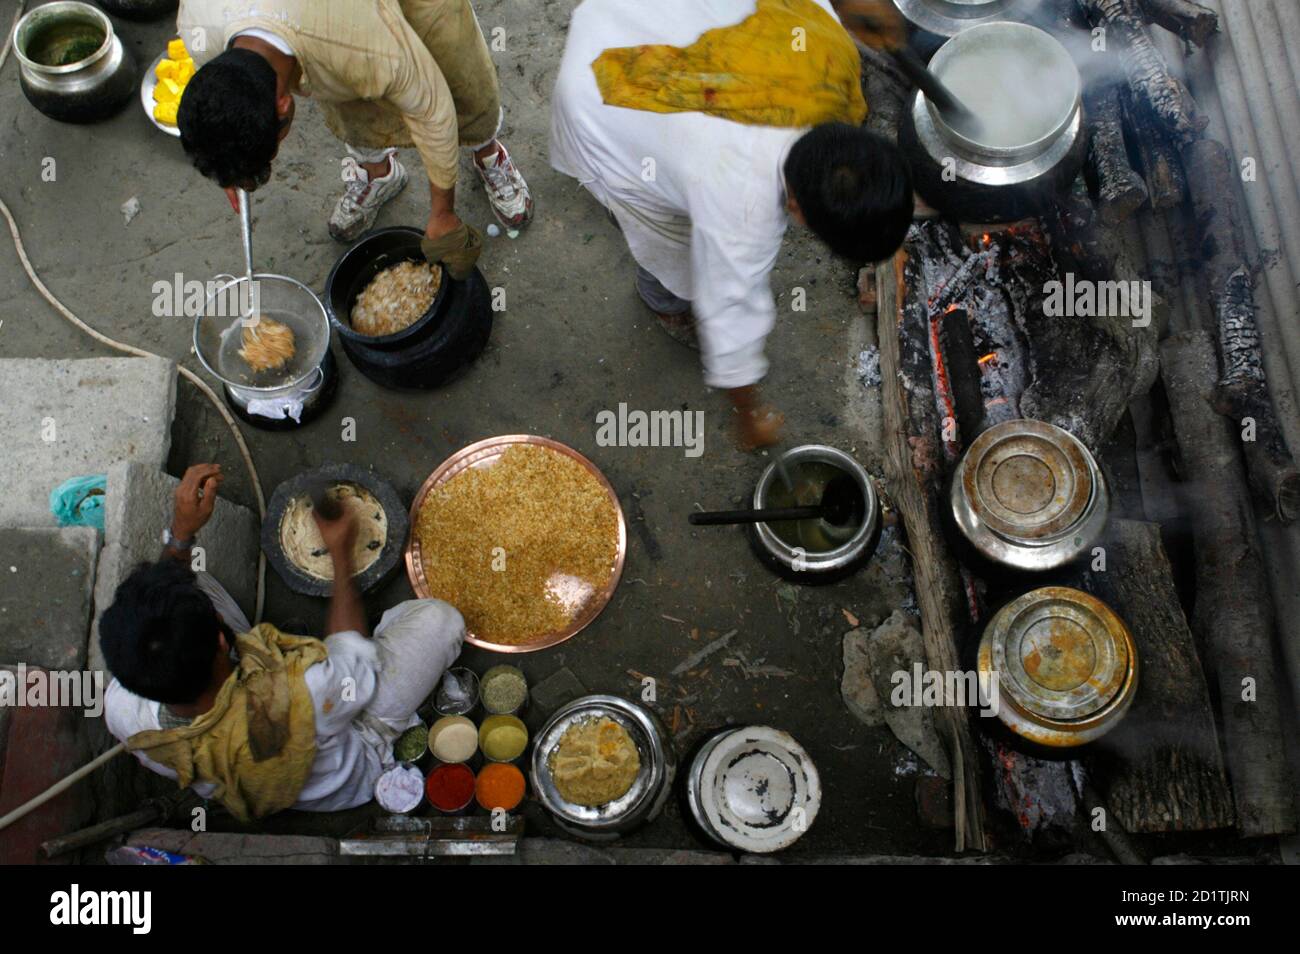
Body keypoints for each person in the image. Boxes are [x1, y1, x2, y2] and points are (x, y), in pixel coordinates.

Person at [550, 0, 913, 449]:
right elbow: (729, 317)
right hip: (601, 95)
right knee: (671, 247)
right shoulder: (741, 207)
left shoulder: (830, 46)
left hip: (625, 14)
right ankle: (663, 300)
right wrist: (749, 416)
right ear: (796, 208)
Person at [100, 464, 464, 820]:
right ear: (220, 640)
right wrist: (340, 552)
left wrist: (181, 534)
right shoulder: (296, 697)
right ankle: (379, 735)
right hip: (352, 754)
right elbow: (352, 653)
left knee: (192, 582)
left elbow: (169, 612)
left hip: (284, 732)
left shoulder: (122, 709)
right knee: (441, 621)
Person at [174, 0, 532, 279]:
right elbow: (218, 103)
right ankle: (379, 174)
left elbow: (432, 108)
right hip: (323, 23)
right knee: (344, 92)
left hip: (353, 22)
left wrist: (443, 213)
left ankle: (488, 153)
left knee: (458, 79)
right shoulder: (197, 26)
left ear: (283, 105)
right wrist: (226, 164)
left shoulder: (359, 46)